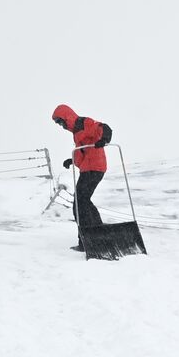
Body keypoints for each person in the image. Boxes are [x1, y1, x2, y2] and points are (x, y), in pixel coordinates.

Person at [52, 104, 112, 251]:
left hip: (94, 168)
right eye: (58, 123)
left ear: (67, 117)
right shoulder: (76, 132)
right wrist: (72, 160)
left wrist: (104, 139)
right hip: (89, 168)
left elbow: (104, 128)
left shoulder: (84, 123)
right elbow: (84, 152)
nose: (61, 126)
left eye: (61, 122)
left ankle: (87, 239)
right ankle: (97, 232)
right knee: (83, 201)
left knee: (80, 203)